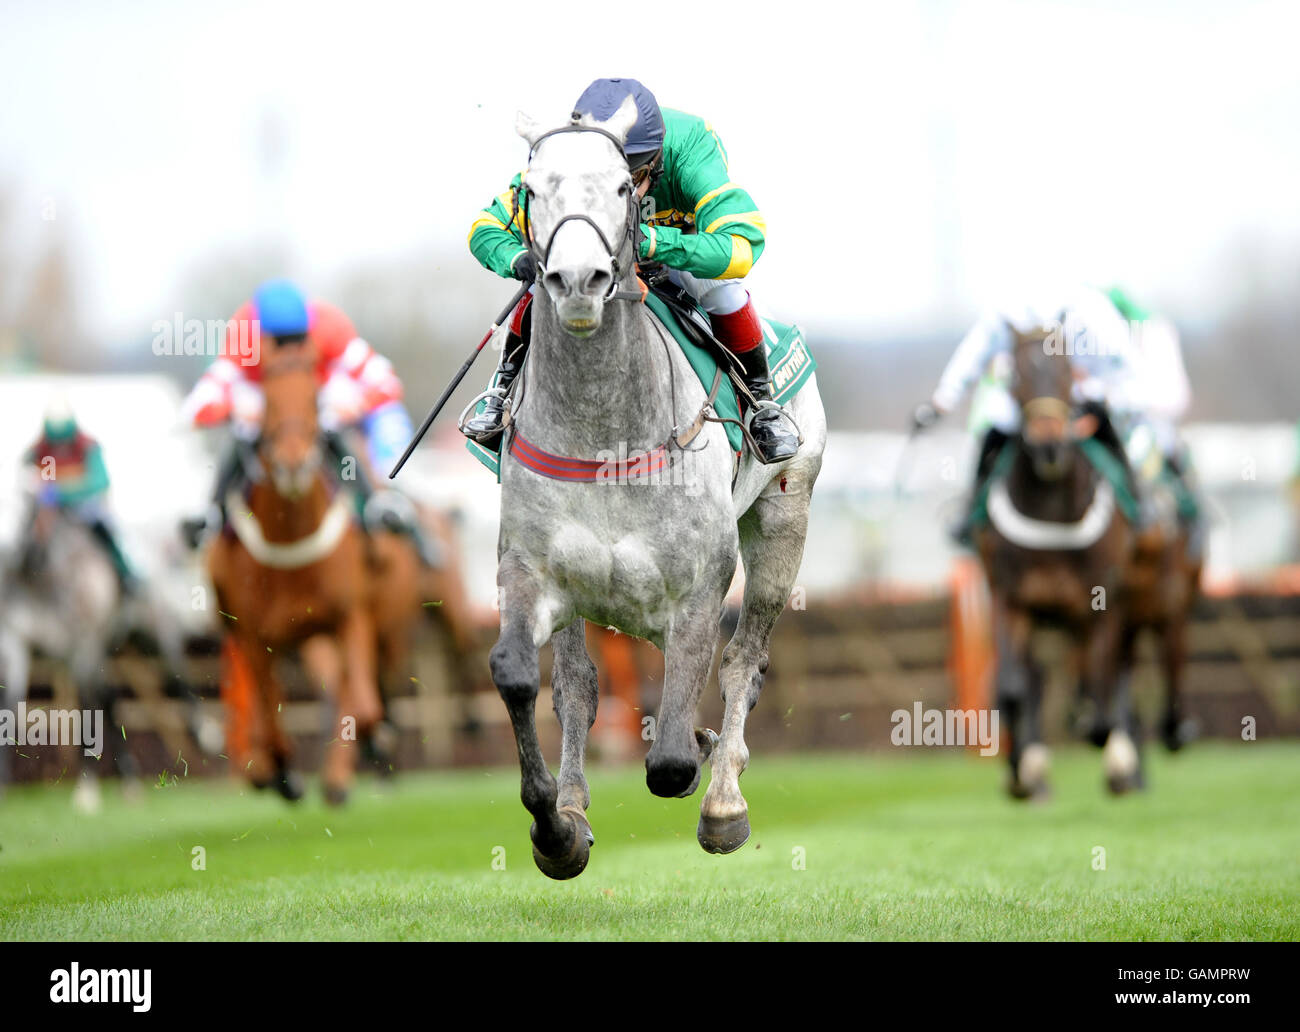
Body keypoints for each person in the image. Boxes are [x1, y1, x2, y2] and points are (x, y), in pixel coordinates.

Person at [462, 77, 799, 464]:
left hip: (676, 253)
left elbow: (741, 245)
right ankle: (502, 394)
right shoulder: (568, 152)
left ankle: (761, 403)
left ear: (654, 160)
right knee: (545, 281)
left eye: (635, 176)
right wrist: (516, 260)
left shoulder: (690, 145)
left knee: (725, 290)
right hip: (597, 256)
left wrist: (654, 243)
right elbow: (485, 227)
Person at [180, 280, 436, 564]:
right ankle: (211, 512)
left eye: (298, 339)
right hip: (267, 399)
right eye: (279, 341)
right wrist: (232, 409)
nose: (290, 350)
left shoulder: (330, 327)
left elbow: (386, 383)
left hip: (321, 392)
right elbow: (198, 405)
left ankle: (380, 505)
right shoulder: (243, 333)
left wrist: (356, 404)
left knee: (333, 419)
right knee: (246, 422)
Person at [911, 285, 1143, 543]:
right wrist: (941, 402)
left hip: (1084, 404)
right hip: (1025, 407)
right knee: (994, 436)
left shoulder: (1090, 309)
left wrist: (1103, 399)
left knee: (1112, 442)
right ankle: (972, 513)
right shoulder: (1005, 309)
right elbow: (972, 356)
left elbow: (1130, 369)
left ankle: (1136, 506)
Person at [23, 399, 138, 593]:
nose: (59, 446)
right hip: (52, 509)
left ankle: (126, 576)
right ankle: (26, 575)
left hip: (85, 506)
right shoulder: (41, 450)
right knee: (32, 534)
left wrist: (66, 491)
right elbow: (28, 470)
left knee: (107, 534)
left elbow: (100, 481)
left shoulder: (87, 447)